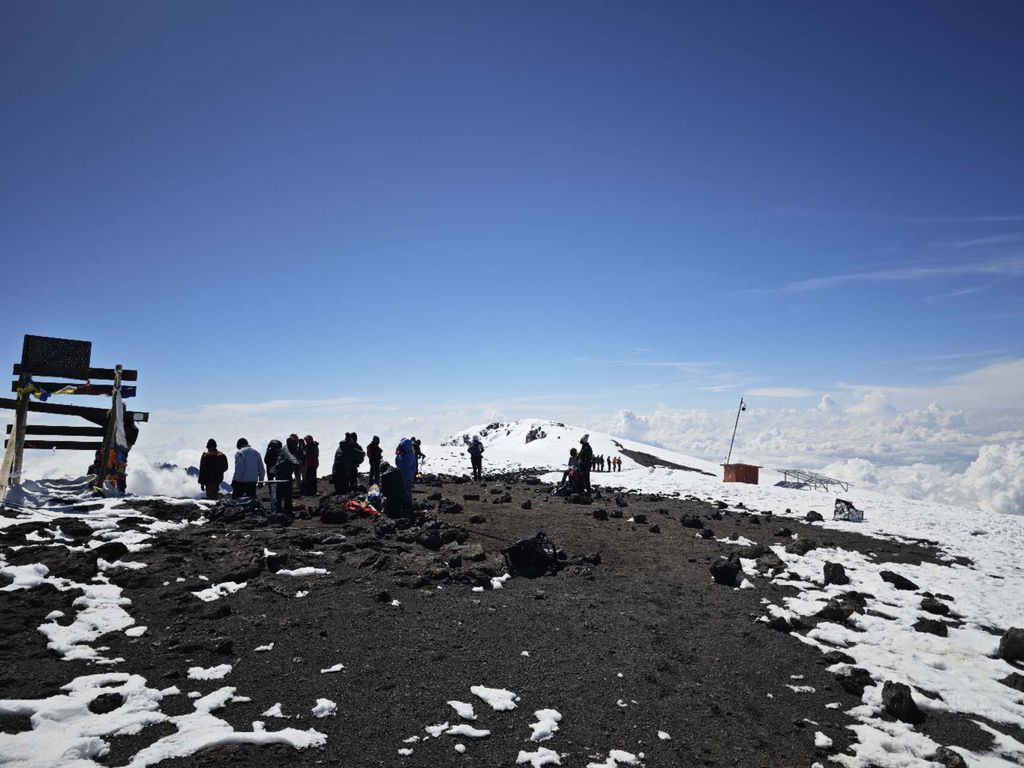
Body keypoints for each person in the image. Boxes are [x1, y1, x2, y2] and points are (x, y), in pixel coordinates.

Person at [273, 438, 302, 515]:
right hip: (281, 476)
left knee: (288, 495)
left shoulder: (292, 450)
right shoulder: (284, 452)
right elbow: (278, 464)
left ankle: (288, 510)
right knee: (280, 495)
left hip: (287, 475)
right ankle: (278, 510)